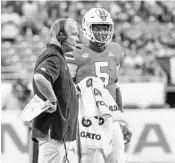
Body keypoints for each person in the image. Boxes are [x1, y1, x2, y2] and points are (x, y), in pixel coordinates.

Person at [66, 8, 132, 163]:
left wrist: (121, 120)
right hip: (87, 122)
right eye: (97, 27)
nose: (102, 32)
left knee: (117, 160)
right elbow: (67, 91)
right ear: (86, 27)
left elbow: (115, 86)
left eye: (105, 27)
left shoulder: (115, 50)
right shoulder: (75, 53)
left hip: (111, 119)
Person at [32, 18, 79, 163]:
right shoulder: (54, 56)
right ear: (61, 35)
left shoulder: (58, 57)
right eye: (74, 34)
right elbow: (40, 77)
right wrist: (52, 99)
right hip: (54, 134)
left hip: (59, 136)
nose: (76, 39)